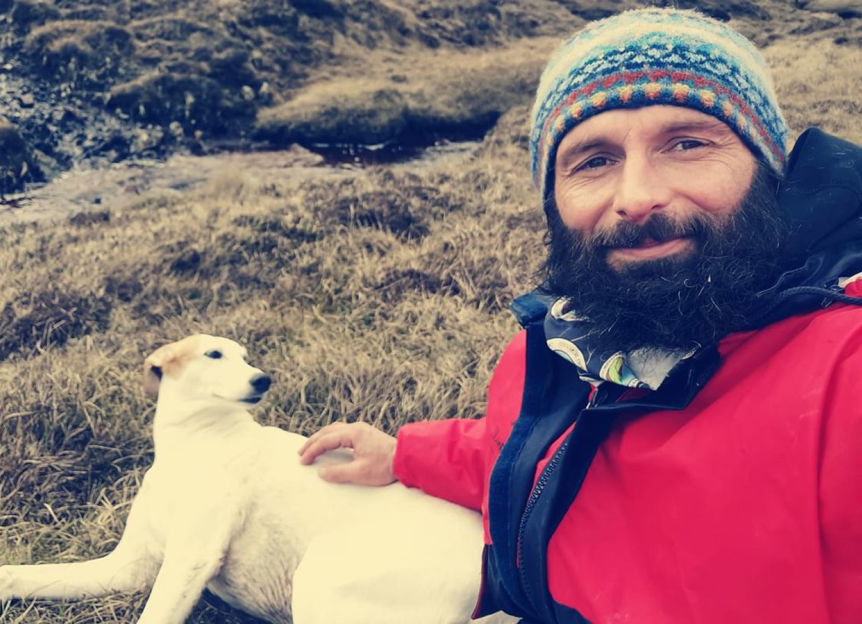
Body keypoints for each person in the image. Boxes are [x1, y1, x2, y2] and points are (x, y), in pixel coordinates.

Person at [298, 8, 862, 624]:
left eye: (688, 143)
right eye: (594, 160)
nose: (636, 197)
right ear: (554, 198)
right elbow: (535, 451)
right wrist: (406, 453)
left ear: (768, 169)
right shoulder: (567, 341)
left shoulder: (840, 369)